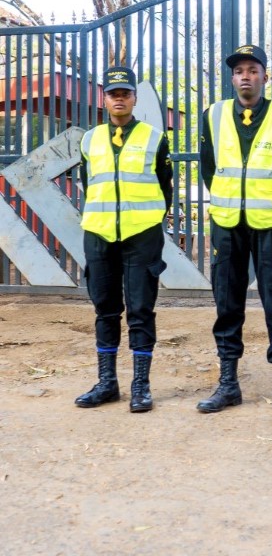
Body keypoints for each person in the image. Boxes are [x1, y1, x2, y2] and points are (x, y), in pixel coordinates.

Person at [198, 44, 272, 418]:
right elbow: (208, 168)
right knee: (227, 303)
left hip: (271, 224)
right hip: (228, 223)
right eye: (239, 70)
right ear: (232, 78)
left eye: (252, 69)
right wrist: (230, 199)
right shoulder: (212, 115)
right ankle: (228, 383)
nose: (245, 76)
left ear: (265, 76)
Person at [75, 66, 172, 413]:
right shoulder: (89, 140)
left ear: (134, 98)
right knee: (105, 309)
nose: (119, 98)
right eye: (113, 93)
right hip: (99, 233)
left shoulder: (154, 138)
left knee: (141, 309)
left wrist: (149, 221)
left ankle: (140, 386)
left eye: (125, 93)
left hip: (141, 235)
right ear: (104, 98)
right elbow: (89, 185)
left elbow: (165, 186)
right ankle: (107, 383)